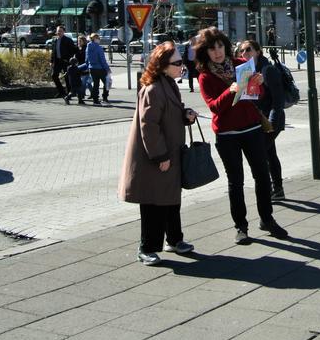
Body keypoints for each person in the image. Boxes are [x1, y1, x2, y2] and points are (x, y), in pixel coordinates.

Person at [196, 27, 287, 244]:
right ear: (205, 52)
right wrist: (231, 91)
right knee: (236, 181)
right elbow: (215, 107)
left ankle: (267, 219)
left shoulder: (240, 64)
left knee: (262, 176)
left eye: (220, 46)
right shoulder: (205, 77)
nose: (217, 52)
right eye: (212, 48)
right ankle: (241, 226)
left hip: (252, 128)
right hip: (227, 134)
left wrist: (258, 84)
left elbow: (257, 96)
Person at [118, 41, 199, 265]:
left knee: (171, 200)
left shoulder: (168, 83)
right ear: (163, 65)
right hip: (156, 158)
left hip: (169, 154)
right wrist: (160, 156)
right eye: (178, 63)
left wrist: (185, 115)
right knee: (153, 203)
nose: (182, 66)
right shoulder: (153, 89)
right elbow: (149, 126)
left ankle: (174, 240)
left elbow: (170, 114)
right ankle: (146, 247)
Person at [237, 39, 287, 201]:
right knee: (269, 153)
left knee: (261, 153)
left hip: (272, 119)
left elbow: (278, 99)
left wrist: (272, 122)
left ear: (258, 51)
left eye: (248, 50)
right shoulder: (247, 71)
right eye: (242, 51)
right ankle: (277, 188)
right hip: (258, 119)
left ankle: (269, 187)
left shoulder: (267, 70)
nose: (244, 53)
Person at [50, 26, 78, 99]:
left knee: (67, 77)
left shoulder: (68, 40)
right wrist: (51, 61)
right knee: (54, 75)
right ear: (56, 32)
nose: (59, 32)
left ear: (64, 32)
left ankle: (69, 94)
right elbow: (53, 52)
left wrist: (68, 58)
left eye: (61, 31)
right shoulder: (55, 40)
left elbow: (74, 50)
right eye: (58, 31)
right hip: (57, 61)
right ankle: (61, 92)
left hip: (66, 62)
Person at [84, 33, 111, 105]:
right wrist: (107, 69)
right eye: (99, 38)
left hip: (92, 68)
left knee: (96, 84)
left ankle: (95, 100)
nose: (99, 40)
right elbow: (102, 60)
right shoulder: (99, 48)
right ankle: (105, 98)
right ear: (96, 39)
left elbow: (86, 59)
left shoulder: (88, 47)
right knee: (107, 83)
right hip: (100, 68)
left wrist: (88, 66)